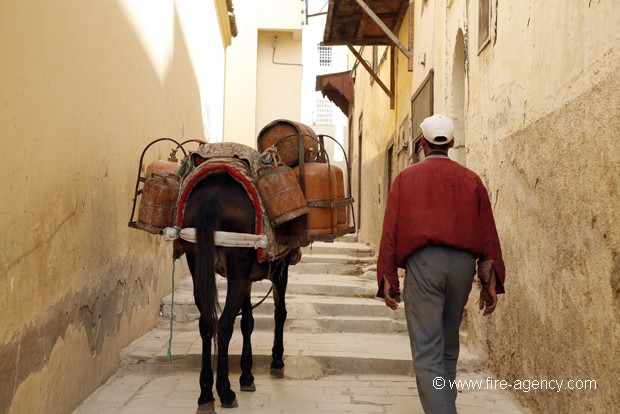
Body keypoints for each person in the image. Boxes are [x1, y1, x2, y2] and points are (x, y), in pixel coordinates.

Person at [376, 114, 506, 414]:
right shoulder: (472, 180)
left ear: (422, 143)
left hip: (424, 268)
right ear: (451, 143)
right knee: (448, 349)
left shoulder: (405, 179)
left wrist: (388, 277)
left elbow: (391, 230)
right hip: (461, 269)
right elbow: (488, 232)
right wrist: (490, 282)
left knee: (427, 353)